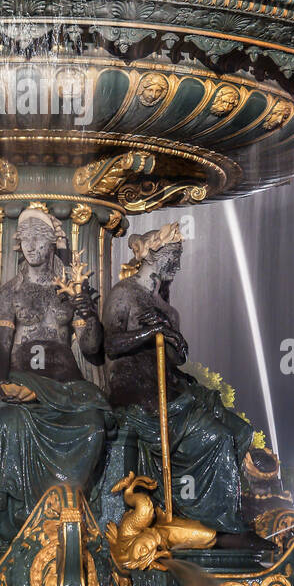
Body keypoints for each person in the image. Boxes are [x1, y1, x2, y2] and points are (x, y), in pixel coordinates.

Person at [102, 223, 255, 538]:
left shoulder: (168, 311)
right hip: (138, 394)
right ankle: (218, 522)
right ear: (154, 255)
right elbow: (112, 345)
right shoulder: (124, 293)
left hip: (171, 390)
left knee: (241, 431)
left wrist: (174, 342)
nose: (178, 262)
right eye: (174, 254)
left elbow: (174, 360)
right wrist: (153, 332)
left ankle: (213, 509)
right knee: (219, 438)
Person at [0, 207, 114, 543]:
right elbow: (0, 344)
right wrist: (0, 382)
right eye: (25, 240)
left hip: (66, 384)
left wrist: (86, 313)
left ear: (53, 243)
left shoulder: (70, 289)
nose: (31, 246)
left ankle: (68, 505)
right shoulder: (11, 291)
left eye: (39, 239)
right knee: (8, 423)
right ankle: (19, 516)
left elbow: (92, 348)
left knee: (93, 423)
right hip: (21, 380)